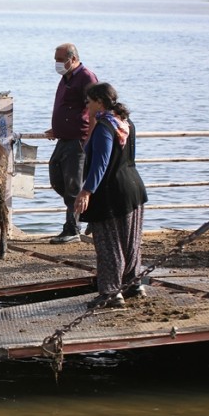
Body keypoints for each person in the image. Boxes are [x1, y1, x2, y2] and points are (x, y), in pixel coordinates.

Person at [74, 82, 148, 309]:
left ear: (99, 101)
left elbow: (101, 162)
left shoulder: (104, 127)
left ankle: (111, 293)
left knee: (109, 245)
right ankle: (133, 285)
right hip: (133, 188)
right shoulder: (125, 123)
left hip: (111, 194)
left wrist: (87, 190)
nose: (86, 105)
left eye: (88, 101)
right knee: (130, 242)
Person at [44, 43, 98, 243]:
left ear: (73, 59)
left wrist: (90, 139)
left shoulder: (86, 78)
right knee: (57, 177)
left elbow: (94, 109)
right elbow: (66, 108)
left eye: (60, 60)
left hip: (78, 140)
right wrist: (56, 128)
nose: (57, 64)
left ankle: (72, 229)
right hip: (63, 138)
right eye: (55, 60)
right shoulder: (65, 78)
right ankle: (89, 211)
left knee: (73, 185)